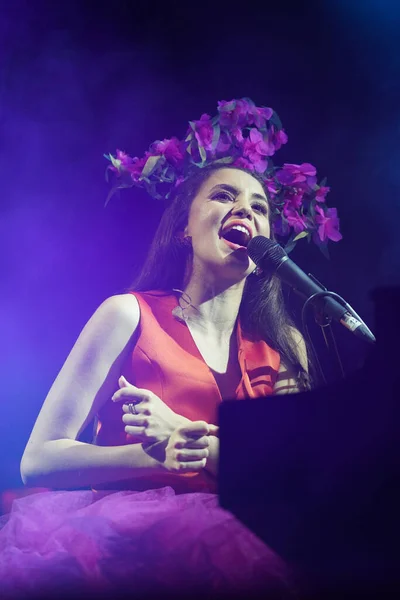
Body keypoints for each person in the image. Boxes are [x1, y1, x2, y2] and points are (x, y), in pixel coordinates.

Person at [0, 98, 341, 598]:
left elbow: (291, 483)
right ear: (184, 226)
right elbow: (39, 460)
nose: (244, 209)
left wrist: (195, 442)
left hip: (242, 555)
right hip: (123, 546)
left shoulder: (283, 347)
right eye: (224, 196)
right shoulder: (127, 314)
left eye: (259, 206)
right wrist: (156, 456)